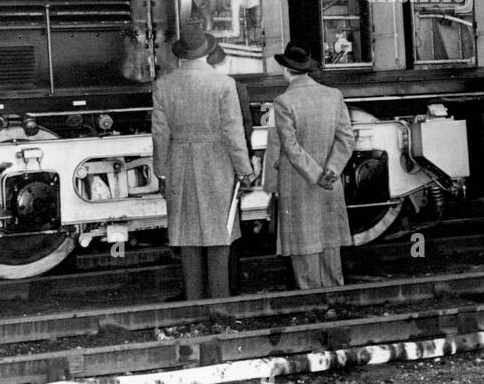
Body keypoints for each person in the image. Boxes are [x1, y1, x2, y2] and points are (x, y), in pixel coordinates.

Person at [152, 26, 254, 300]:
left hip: (179, 165)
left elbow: (160, 135)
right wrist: (245, 171)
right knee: (220, 235)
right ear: (207, 52)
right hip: (217, 165)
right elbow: (234, 133)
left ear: (182, 56)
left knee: (187, 237)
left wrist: (161, 174)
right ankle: (220, 304)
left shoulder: (163, 85)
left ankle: (193, 302)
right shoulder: (224, 85)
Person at [265, 41, 356, 289]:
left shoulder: (284, 101)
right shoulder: (333, 95)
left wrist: (316, 175)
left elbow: (291, 149)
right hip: (330, 182)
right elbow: (346, 138)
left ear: (286, 70)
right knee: (329, 243)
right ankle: (334, 295)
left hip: (299, 183)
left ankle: (311, 300)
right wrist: (331, 171)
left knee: (304, 244)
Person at [206, 40, 253, 293]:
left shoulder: (189, 85)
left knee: (197, 229)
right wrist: (242, 167)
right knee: (229, 227)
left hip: (198, 168)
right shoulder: (235, 87)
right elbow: (244, 129)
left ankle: (201, 288)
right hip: (227, 167)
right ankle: (230, 284)